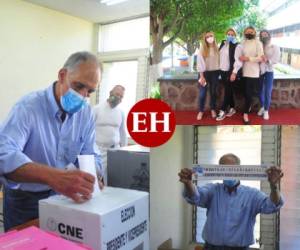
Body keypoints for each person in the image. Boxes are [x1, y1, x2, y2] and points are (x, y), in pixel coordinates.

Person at [0, 51, 104, 231]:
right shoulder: (28, 107)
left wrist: (93, 176)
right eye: (79, 86)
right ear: (62, 75)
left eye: (90, 91)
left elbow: (91, 152)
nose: (83, 96)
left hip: (65, 198)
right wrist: (53, 177)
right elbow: (4, 153)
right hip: (25, 200)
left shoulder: (85, 113)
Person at [178, 154, 284, 250]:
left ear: (240, 170)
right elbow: (195, 196)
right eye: (223, 169)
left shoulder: (252, 195)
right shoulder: (212, 190)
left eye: (231, 169)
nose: (228, 172)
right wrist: (188, 183)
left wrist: (274, 186)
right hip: (211, 247)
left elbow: (272, 205)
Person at [93, 85, 128, 185]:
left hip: (114, 151)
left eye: (121, 97)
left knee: (113, 180)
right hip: (99, 151)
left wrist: (123, 151)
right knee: (97, 179)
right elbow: (88, 131)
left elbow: (123, 133)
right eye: (117, 94)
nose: (119, 98)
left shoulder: (121, 112)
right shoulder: (97, 109)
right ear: (110, 93)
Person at [231, 26, 264, 124]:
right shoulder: (242, 43)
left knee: (250, 94)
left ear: (254, 33)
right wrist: (235, 71)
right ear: (244, 33)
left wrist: (248, 58)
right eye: (247, 31)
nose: (249, 33)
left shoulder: (258, 43)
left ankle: (245, 114)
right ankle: (247, 108)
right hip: (243, 72)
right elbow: (238, 58)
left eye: (251, 31)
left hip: (254, 73)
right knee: (245, 93)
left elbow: (260, 58)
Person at [216, 28, 240, 121]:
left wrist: (234, 73)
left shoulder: (237, 45)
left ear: (235, 36)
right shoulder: (223, 43)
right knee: (228, 90)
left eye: (232, 34)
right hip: (222, 71)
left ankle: (222, 111)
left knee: (227, 91)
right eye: (228, 34)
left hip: (230, 72)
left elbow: (238, 61)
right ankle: (233, 108)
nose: (230, 35)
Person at [257, 30, 281, 120]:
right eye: (262, 35)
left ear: (269, 35)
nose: (264, 36)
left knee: (267, 91)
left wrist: (267, 60)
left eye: (265, 34)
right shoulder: (259, 46)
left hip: (269, 71)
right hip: (260, 71)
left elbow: (276, 59)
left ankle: (266, 110)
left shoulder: (274, 47)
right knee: (259, 91)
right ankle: (263, 106)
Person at [197, 31, 220, 121]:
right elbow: (200, 63)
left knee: (213, 92)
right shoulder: (202, 48)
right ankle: (201, 110)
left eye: (211, 36)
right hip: (204, 73)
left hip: (215, 73)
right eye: (207, 37)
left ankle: (213, 109)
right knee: (202, 94)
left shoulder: (217, 48)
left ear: (214, 37)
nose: (209, 38)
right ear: (205, 39)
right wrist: (201, 76)